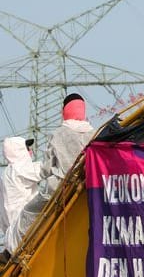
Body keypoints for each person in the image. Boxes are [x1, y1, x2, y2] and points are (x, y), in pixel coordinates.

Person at [5, 93, 94, 253]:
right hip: (87, 185)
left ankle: (14, 250)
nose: (29, 151)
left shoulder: (59, 133)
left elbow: (46, 168)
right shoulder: (93, 133)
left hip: (59, 189)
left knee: (28, 213)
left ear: (64, 111)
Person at [0, 136, 40, 257]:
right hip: (24, 231)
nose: (30, 151)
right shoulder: (20, 169)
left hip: (12, 235)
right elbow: (46, 170)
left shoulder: (7, 172)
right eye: (27, 148)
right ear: (18, 151)